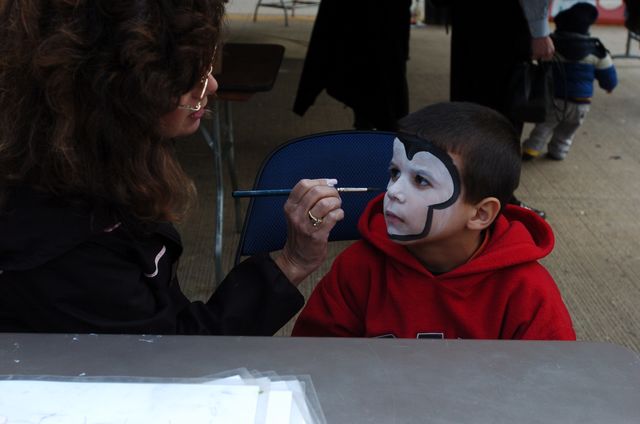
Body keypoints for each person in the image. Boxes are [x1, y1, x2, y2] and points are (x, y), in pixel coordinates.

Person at [0, 0, 344, 335]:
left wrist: (291, 263)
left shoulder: (96, 155)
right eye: (188, 78)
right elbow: (171, 359)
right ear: (124, 92)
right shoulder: (70, 251)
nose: (211, 86)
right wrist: (291, 263)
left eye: (206, 67)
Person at [292, 102, 576, 340]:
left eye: (421, 180)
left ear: (480, 214)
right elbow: (314, 362)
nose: (394, 191)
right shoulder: (359, 268)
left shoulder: (526, 291)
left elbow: (553, 384)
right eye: (394, 172)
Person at [448, 0, 554, 217]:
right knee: (503, 114)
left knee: (468, 104)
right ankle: (498, 200)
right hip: (506, 19)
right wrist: (539, 30)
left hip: (468, 16)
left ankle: (463, 195)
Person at [293, 0, 412, 131]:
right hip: (383, 36)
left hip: (361, 35)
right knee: (386, 96)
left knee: (367, 88)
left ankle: (367, 131)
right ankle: (378, 133)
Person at [522, 2, 618, 161]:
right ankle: (559, 151)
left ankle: (531, 149)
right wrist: (609, 86)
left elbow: (540, 64)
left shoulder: (553, 47)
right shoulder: (597, 50)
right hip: (582, 102)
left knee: (544, 126)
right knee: (568, 130)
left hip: (555, 99)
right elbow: (609, 76)